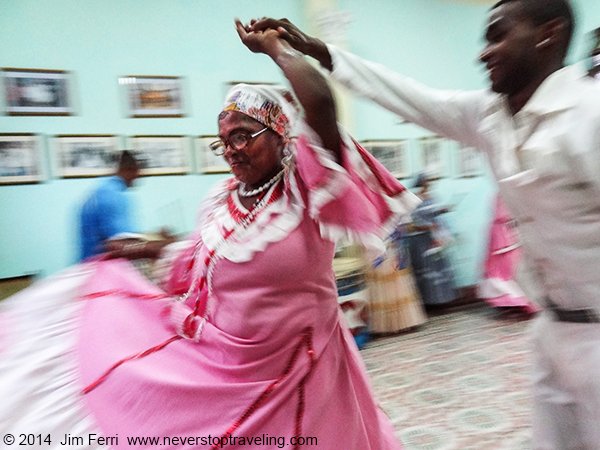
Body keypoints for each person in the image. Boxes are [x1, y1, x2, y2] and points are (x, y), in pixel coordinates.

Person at [0, 20, 420, 450]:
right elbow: (200, 254)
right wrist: (148, 246)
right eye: (224, 142)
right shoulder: (221, 199)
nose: (233, 150)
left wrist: (277, 49)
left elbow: (320, 104)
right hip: (231, 367)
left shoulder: (304, 189)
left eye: (243, 136)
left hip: (303, 366)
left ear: (281, 137)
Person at [252, 1, 600, 447]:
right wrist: (318, 50)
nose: (483, 53)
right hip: (551, 330)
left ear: (547, 34)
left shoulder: (588, 115)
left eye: (498, 35)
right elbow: (410, 96)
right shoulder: (489, 115)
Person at [79, 150, 173, 262]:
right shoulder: (113, 195)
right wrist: (164, 245)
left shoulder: (101, 189)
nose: (139, 177)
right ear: (131, 169)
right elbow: (117, 246)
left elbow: (116, 236)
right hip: (102, 270)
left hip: (88, 266)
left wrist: (154, 235)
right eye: (139, 172)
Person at [478, 194, 539, 314]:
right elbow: (503, 215)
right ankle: (516, 299)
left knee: (507, 269)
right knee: (508, 269)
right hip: (505, 237)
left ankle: (514, 299)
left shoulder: (502, 196)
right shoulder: (504, 197)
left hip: (506, 236)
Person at [405, 173, 456, 306]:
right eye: (425, 181)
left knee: (438, 268)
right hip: (422, 240)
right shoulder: (415, 200)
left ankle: (442, 299)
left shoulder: (432, 197)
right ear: (420, 183)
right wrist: (427, 226)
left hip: (434, 237)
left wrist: (443, 210)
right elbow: (412, 223)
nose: (428, 184)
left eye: (428, 181)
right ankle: (428, 302)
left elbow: (433, 213)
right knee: (426, 270)